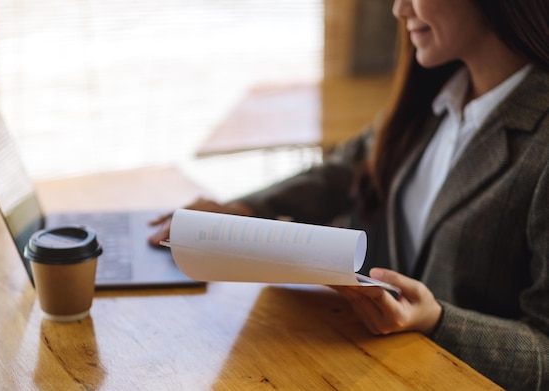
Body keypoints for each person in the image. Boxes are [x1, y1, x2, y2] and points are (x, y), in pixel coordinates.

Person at [149, 0, 549, 389]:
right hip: (381, 369)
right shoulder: (438, 96)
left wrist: (437, 320)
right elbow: (344, 171)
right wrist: (242, 209)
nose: (399, 9)